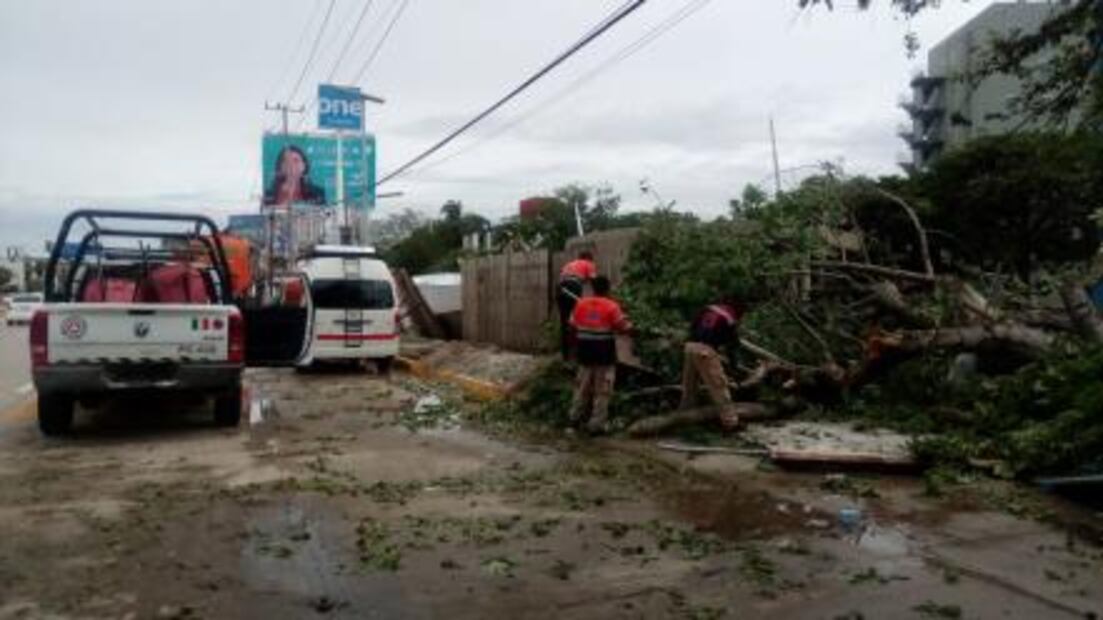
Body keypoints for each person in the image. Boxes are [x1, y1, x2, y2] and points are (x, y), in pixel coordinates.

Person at [569, 275, 632, 434]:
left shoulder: (580, 304)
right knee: (602, 391)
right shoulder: (612, 306)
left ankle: (574, 420)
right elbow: (623, 328)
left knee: (581, 387)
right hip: (604, 355)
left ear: (592, 288)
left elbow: (572, 325)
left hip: (584, 353)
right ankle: (595, 426)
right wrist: (629, 323)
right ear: (607, 289)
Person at [680, 299, 744, 429]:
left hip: (689, 347)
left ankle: (683, 416)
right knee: (719, 386)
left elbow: (692, 327)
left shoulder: (707, 308)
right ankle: (731, 422)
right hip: (705, 351)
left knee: (689, 385)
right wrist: (734, 368)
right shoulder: (730, 317)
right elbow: (732, 347)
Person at [557, 250, 597, 360]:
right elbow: (595, 282)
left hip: (560, 290)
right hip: (573, 287)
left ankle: (566, 357)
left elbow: (562, 279)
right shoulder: (588, 264)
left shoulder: (569, 264)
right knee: (579, 321)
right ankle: (579, 354)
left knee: (565, 323)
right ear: (589, 258)